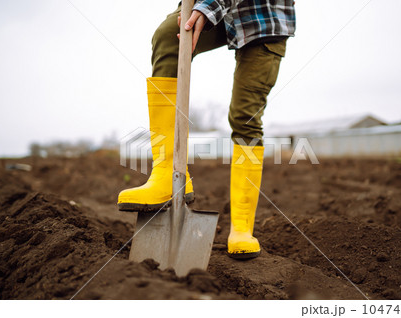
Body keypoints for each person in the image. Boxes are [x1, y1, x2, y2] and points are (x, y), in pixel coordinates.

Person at [118, 0, 296, 259]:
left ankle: (242, 228)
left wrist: (211, 4)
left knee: (245, 115)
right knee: (169, 35)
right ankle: (167, 174)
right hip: (212, 6)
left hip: (262, 16)